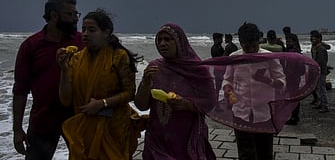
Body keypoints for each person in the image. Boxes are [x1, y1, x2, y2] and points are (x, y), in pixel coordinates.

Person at [56, 8, 142, 159]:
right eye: (83, 29)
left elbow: (129, 93)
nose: (85, 34)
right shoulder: (76, 59)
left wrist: (102, 103)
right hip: (84, 127)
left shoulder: (118, 57)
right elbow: (65, 100)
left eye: (91, 30)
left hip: (114, 127)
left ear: (106, 32)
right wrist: (63, 70)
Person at [13, 0, 83, 159]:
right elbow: (20, 90)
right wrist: (17, 129)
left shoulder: (82, 41)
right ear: (53, 15)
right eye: (70, 14)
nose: (75, 18)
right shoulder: (31, 45)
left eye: (76, 14)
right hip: (43, 120)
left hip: (77, 118)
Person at [134, 23, 216, 160]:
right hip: (156, 140)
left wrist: (186, 104)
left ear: (179, 41)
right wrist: (145, 83)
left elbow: (210, 102)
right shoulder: (154, 67)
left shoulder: (197, 70)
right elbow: (141, 105)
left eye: (167, 39)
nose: (162, 44)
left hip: (185, 139)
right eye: (159, 40)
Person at [222, 23, 287, 160]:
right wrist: (227, 88)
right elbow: (227, 79)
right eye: (247, 47)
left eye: (254, 46)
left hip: (264, 112)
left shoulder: (269, 57)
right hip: (241, 111)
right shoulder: (234, 57)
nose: (251, 50)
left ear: (259, 41)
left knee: (265, 152)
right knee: (245, 153)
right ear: (240, 43)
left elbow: (282, 84)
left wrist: (266, 80)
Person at [285, 33, 303, 125]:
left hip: (294, 78)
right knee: (293, 97)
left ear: (294, 42)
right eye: (287, 41)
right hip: (292, 77)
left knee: (293, 98)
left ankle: (294, 117)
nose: (287, 43)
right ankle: (294, 116)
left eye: (289, 41)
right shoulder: (290, 50)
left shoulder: (294, 52)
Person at [310, 30, 329, 112]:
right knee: (319, 88)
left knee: (322, 89)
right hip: (318, 71)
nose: (312, 40)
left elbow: (321, 62)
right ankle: (321, 103)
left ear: (319, 39)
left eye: (314, 39)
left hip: (320, 71)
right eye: (312, 38)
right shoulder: (315, 47)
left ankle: (325, 106)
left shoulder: (321, 49)